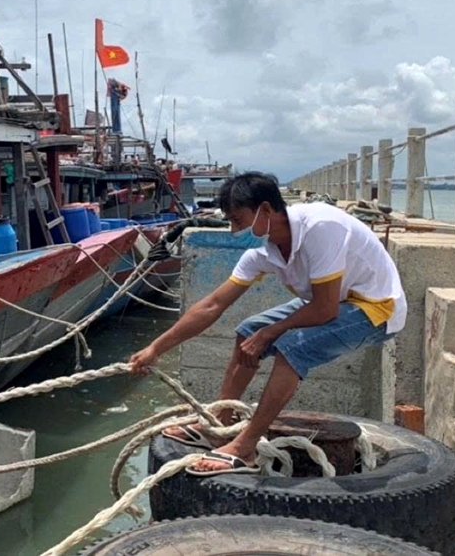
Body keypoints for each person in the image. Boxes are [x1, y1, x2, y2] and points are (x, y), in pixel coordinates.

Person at [129, 172, 405, 476]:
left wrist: (271, 332)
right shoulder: (261, 253)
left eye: (239, 220)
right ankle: (219, 422)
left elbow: (324, 310)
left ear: (266, 209)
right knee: (247, 331)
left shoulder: (321, 228)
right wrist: (156, 348)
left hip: (376, 307)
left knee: (290, 347)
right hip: (333, 301)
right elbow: (212, 305)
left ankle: (244, 447)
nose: (235, 230)